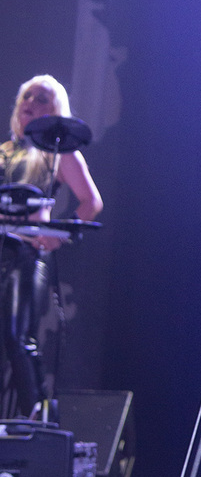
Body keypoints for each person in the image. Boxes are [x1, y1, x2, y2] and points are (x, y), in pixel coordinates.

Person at [0, 75, 103, 418]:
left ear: (55, 109)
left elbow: (91, 202)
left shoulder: (57, 153)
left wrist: (56, 237)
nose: (30, 102)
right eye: (26, 96)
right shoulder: (5, 152)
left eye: (41, 98)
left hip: (26, 253)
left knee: (18, 338)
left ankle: (37, 420)